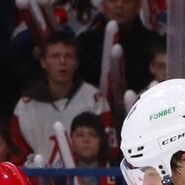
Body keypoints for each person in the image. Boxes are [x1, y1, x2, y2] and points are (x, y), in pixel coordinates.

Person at [10, 33, 110, 164]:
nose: (62, 62)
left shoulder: (94, 99)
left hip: (87, 181)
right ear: (43, 62)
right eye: (55, 56)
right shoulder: (25, 105)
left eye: (68, 56)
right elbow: (19, 155)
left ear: (76, 63)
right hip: (40, 183)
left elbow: (108, 149)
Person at [78, 0, 157, 95]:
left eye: (127, 1)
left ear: (138, 6)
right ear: (102, 5)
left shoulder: (154, 44)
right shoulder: (85, 43)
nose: (120, 5)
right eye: (113, 0)